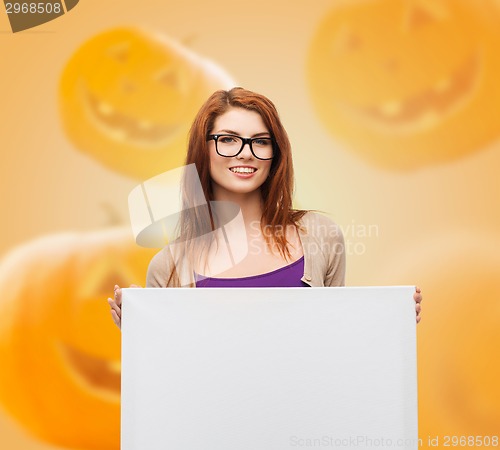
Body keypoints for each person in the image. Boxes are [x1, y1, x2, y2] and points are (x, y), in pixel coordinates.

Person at [108, 87, 422, 328]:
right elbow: (171, 373)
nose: (246, 153)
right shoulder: (168, 267)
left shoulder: (320, 236)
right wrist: (141, 331)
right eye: (228, 139)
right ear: (202, 149)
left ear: (275, 153)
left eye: (260, 141)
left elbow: (336, 344)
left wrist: (389, 321)